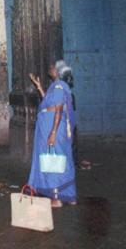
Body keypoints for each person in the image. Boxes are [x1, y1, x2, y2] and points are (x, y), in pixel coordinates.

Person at [28, 60, 78, 207]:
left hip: (53, 128)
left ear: (56, 71)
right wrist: (39, 86)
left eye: (52, 67)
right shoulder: (58, 87)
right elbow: (49, 103)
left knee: (53, 161)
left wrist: (53, 133)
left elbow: (58, 110)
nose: (49, 68)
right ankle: (70, 196)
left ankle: (56, 199)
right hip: (52, 126)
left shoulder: (58, 87)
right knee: (64, 161)